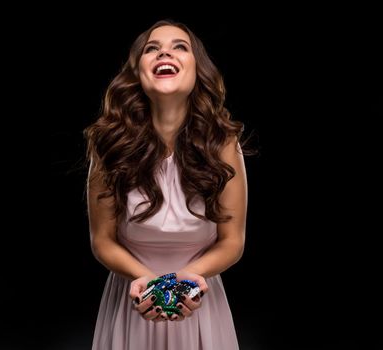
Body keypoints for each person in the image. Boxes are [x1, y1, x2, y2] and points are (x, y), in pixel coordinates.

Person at [82, 19, 255, 350]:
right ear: (137, 74)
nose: (165, 52)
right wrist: (143, 281)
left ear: (197, 70)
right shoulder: (109, 145)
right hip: (131, 300)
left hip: (201, 301)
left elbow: (233, 241)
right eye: (152, 48)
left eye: (180, 46)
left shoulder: (224, 144)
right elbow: (101, 240)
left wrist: (187, 280)